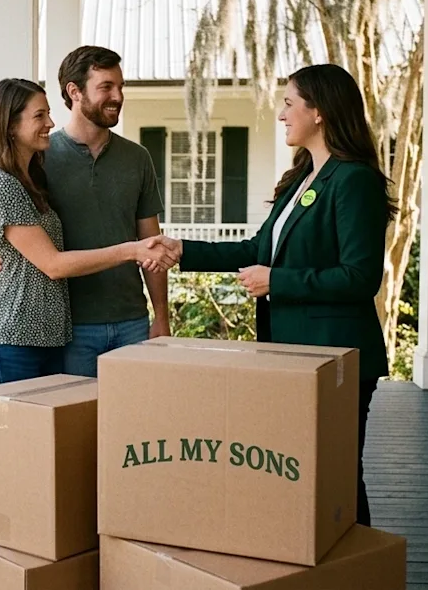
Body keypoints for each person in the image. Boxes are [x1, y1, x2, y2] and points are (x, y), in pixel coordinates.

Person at [152, 63, 395, 527]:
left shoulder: (352, 180)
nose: (281, 114)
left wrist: (277, 281)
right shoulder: (304, 178)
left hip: (337, 358)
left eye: (288, 103)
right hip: (292, 355)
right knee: (303, 470)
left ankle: (361, 567)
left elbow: (361, 277)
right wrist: (181, 249)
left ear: (319, 111)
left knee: (339, 473)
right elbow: (255, 250)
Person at [0, 77, 177, 388]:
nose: (50, 122)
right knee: (22, 437)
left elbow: (8, 243)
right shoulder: (0, 182)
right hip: (10, 340)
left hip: (46, 340)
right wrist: (132, 249)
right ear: (10, 125)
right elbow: (53, 264)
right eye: (39, 115)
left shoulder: (31, 176)